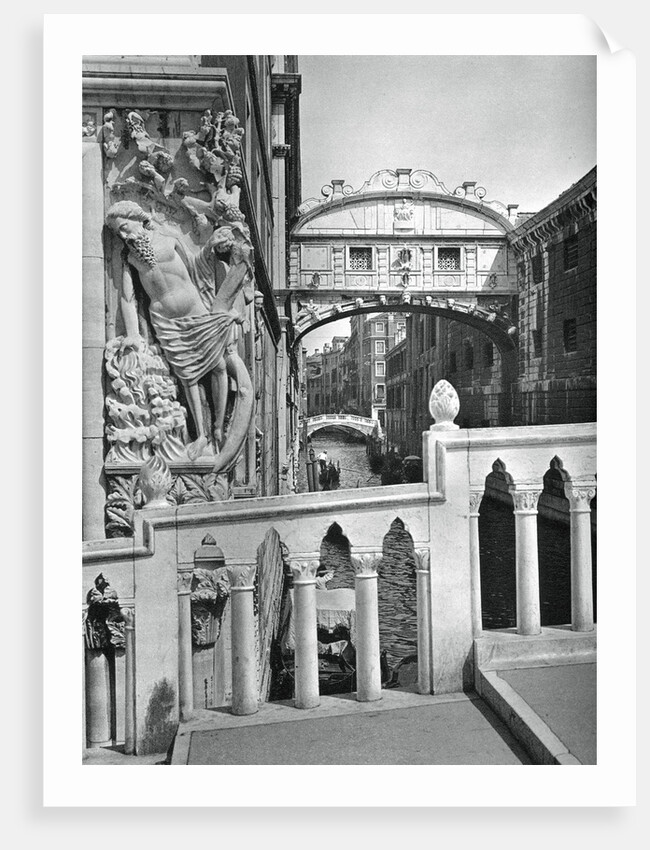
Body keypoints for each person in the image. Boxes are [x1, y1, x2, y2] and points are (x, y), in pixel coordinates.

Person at [106, 200, 253, 462]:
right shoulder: (129, 257)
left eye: (125, 227)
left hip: (194, 309)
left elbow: (196, 268)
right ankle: (201, 435)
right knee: (188, 377)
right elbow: (128, 298)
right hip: (165, 320)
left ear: (137, 218)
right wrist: (133, 333)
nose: (124, 235)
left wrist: (210, 245)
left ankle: (218, 426)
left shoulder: (169, 238)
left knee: (218, 366)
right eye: (119, 233)